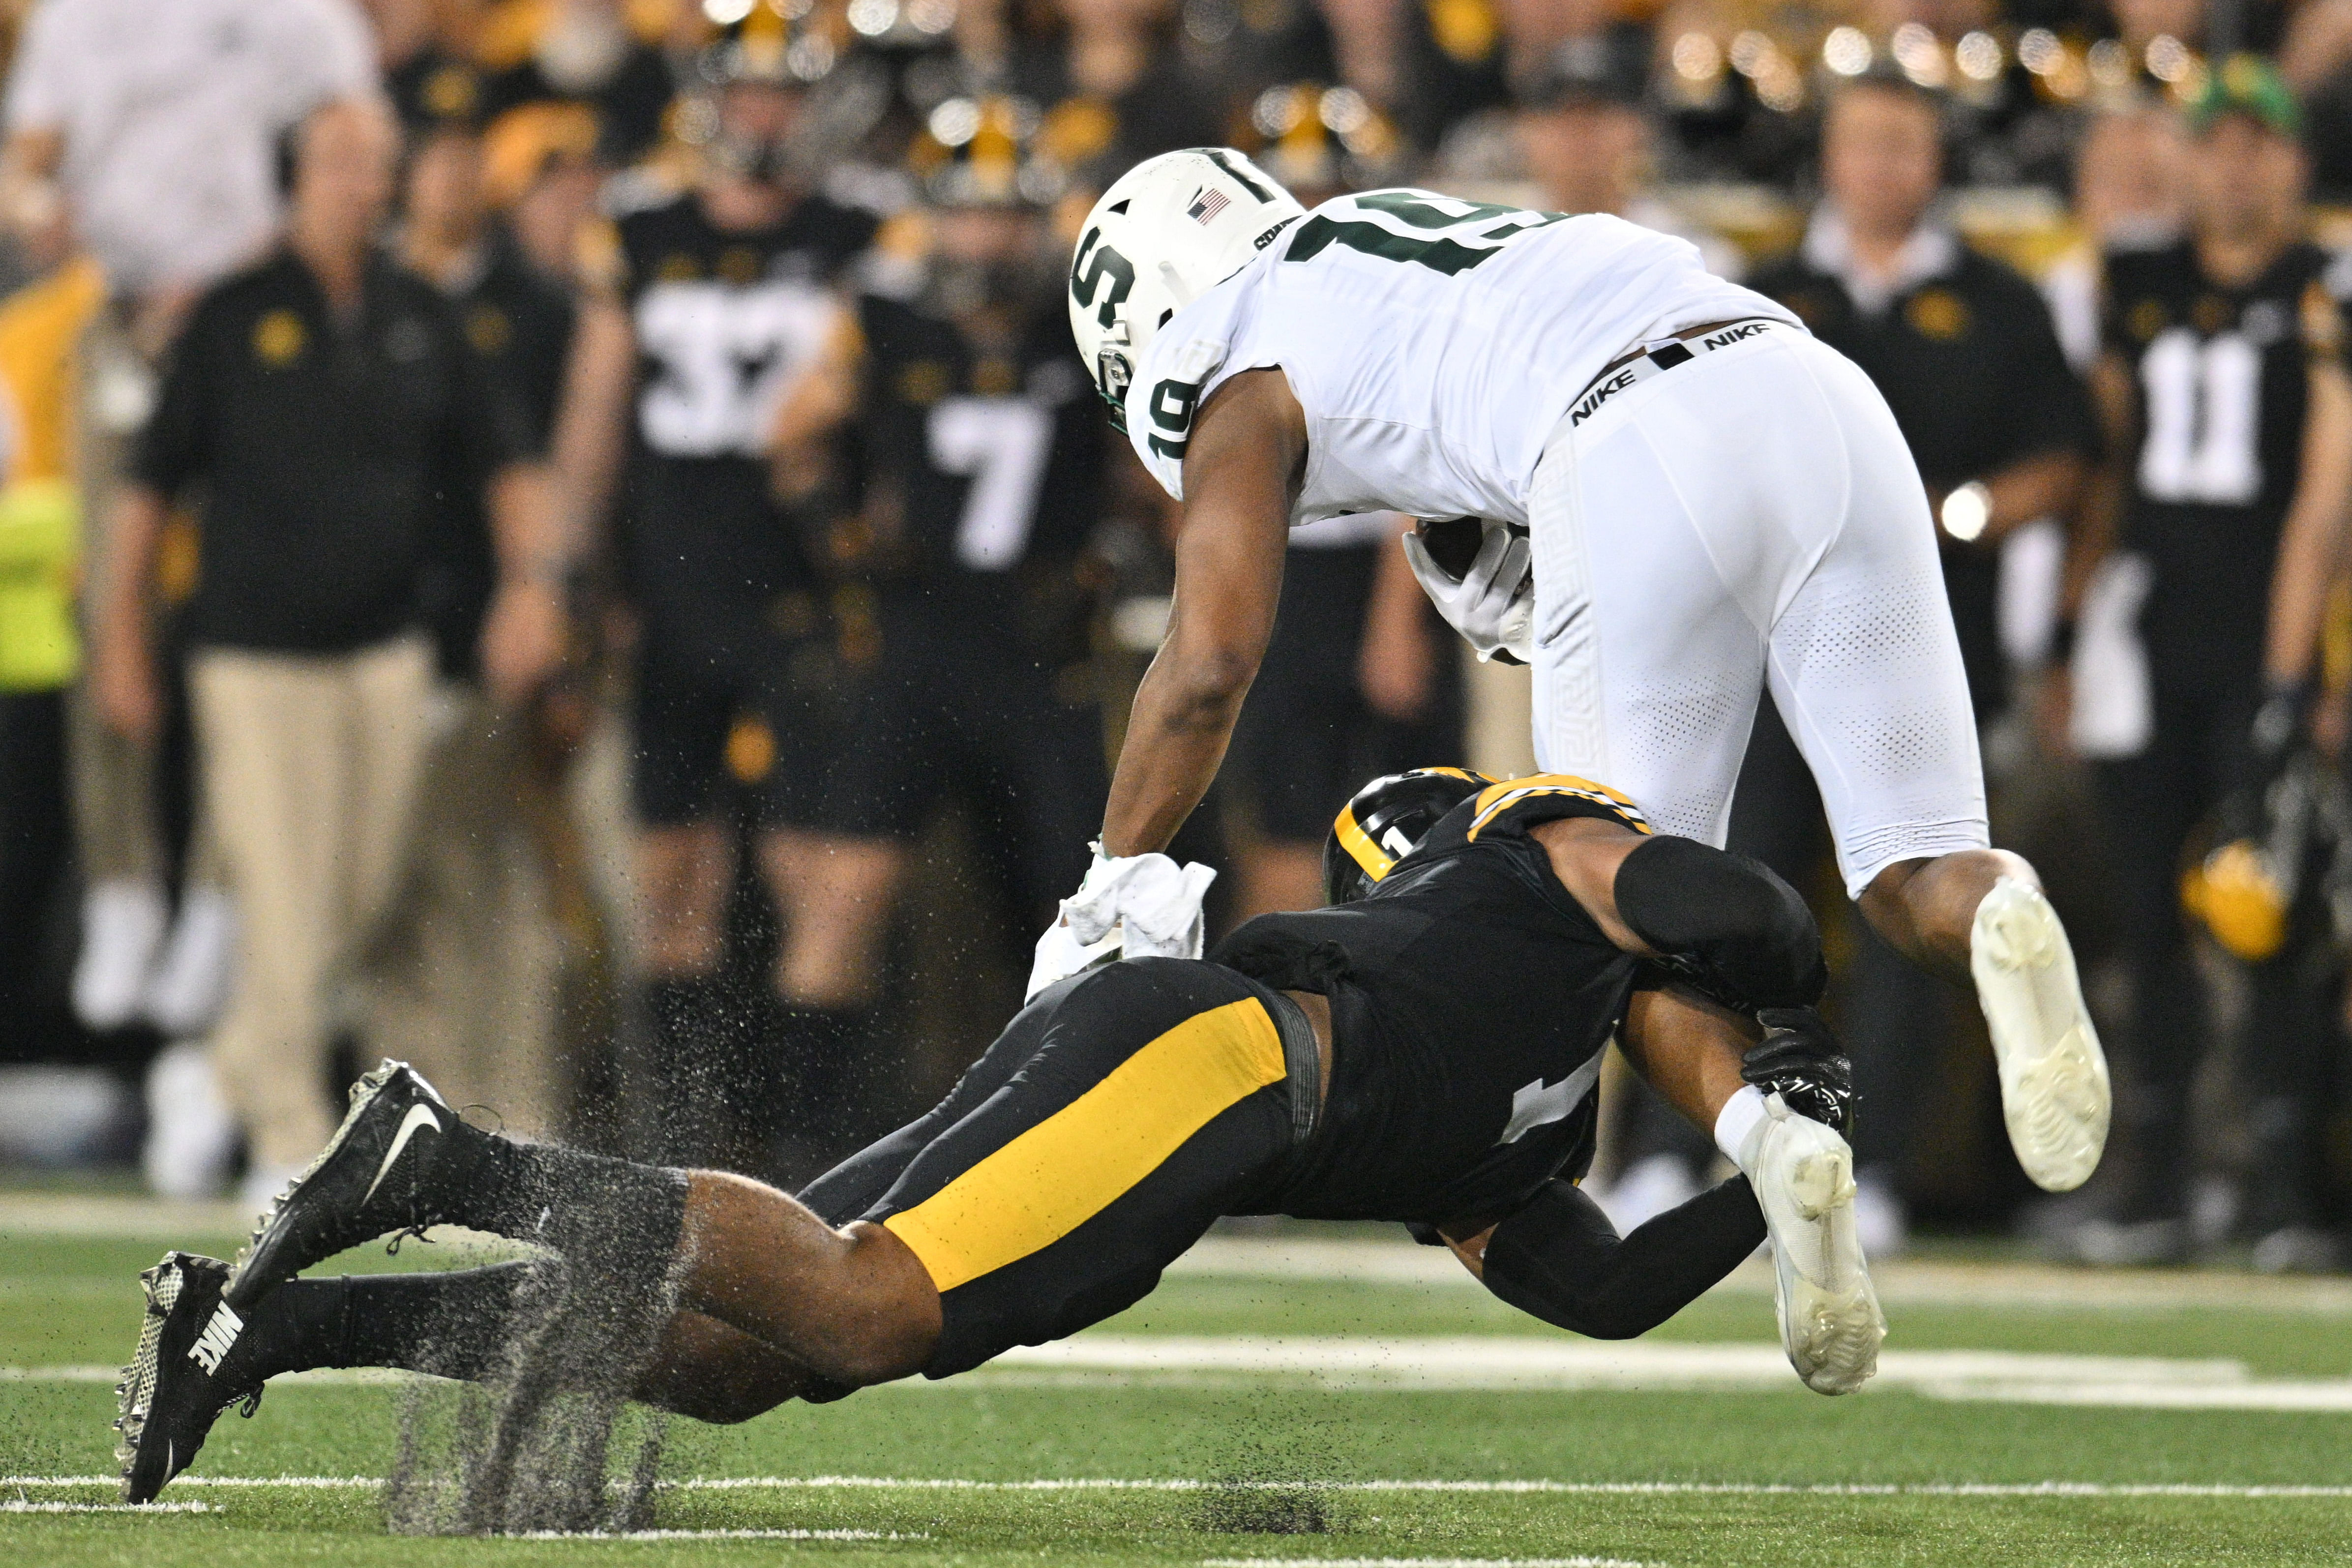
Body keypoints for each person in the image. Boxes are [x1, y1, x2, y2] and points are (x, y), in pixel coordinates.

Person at [116, 765, 1876, 1505]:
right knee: (866, 1301)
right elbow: (1758, 917)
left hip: (1188, 1116)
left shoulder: (1523, 1129)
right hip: (1212, 1064)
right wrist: (1783, 1051)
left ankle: (269, 1323)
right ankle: (445, 1162)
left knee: (753, 1357)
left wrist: (1771, 1179)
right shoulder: (1540, 860)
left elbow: (1602, 1294)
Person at [1039, 146, 2112, 1204]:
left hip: (1635, 432)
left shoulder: (1230, 346)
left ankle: (1776, 1147)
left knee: (1597, 906)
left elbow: (1210, 658)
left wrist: (1116, 874)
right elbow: (1476, 478)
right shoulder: (1391, 245)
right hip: (1816, 389)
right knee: (1912, 868)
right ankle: (2000, 915)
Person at [84, 99, 567, 1204]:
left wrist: (533, 590)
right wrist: (120, 635)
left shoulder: (420, 314)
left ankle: (220, 1062)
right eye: (347, 163)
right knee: (291, 890)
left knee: (365, 885)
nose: (370, 182)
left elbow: (511, 463)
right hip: (252, 654)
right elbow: (149, 494)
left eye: (378, 163)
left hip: (387, 648)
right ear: (294, 176)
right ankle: (285, 1128)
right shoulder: (232, 317)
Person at [1722, 70, 2098, 1249]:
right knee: (1744, 906)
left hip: (1929, 643)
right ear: (1826, 157)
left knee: (1899, 897)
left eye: (1905, 144)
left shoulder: (1995, 297)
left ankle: (1872, 1168)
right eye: (1864, 142)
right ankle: (1726, 1143)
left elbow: (2065, 454)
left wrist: (1959, 513)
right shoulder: (1767, 291)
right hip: (1775, 643)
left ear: (1936, 160)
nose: (1885, 165)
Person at [748, 108, 1109, 1141]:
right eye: (967, 213)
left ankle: (1082, 1129)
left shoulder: (1081, 332)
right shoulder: (883, 322)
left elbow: (1146, 482)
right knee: (843, 894)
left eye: (1005, 213)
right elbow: (791, 443)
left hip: (1041, 650)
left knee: (1075, 909)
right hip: (914, 645)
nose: (986, 237)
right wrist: (844, 543)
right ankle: (806, 1146)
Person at [552, 36, 881, 1163]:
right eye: (749, 89)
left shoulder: (857, 230)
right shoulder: (643, 229)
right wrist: (569, 576)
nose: (766, 112)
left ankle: (804, 1148)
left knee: (816, 872)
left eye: (785, 91)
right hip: (674, 583)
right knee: (672, 874)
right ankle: (684, 1136)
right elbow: (595, 421)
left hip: (806, 590)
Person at [2057, 59, 2352, 1264]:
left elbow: (2327, 496)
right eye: (2215, 142)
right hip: (2148, 628)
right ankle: (2152, 1173)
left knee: (2266, 908)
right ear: (2182, 156)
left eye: (2258, 143)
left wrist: (2294, 674)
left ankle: (2279, 1181)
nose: (2237, 165)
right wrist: (2074, 628)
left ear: (2292, 159)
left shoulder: (2323, 286)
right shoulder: (2130, 278)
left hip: (2257, 635)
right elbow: (2107, 466)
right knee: (2140, 907)